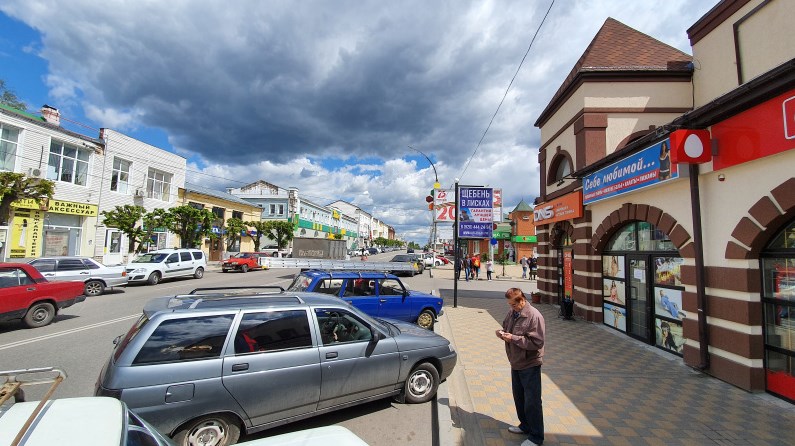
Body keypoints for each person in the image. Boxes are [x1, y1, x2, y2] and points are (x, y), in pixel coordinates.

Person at [497, 288, 545, 446]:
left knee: (532, 401)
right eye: (510, 305)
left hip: (530, 363)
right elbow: (506, 326)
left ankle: (536, 437)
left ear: (522, 300)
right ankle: (525, 426)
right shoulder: (513, 313)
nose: (512, 308)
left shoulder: (534, 316)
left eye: (513, 305)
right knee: (519, 397)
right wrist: (502, 333)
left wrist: (514, 338)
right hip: (516, 361)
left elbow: (537, 343)